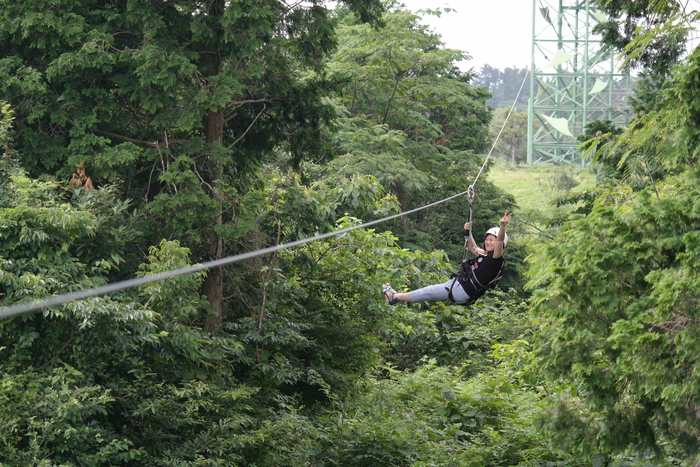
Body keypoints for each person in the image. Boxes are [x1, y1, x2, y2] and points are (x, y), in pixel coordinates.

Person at [382, 210, 512, 306]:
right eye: (487, 240)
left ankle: (395, 297)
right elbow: (473, 248)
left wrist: (502, 227)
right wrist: (468, 232)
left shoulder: (496, 258)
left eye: (492, 240)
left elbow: (499, 241)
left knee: (428, 292)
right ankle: (396, 296)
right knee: (428, 291)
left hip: (462, 290)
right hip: (461, 287)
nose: (488, 242)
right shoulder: (485, 255)